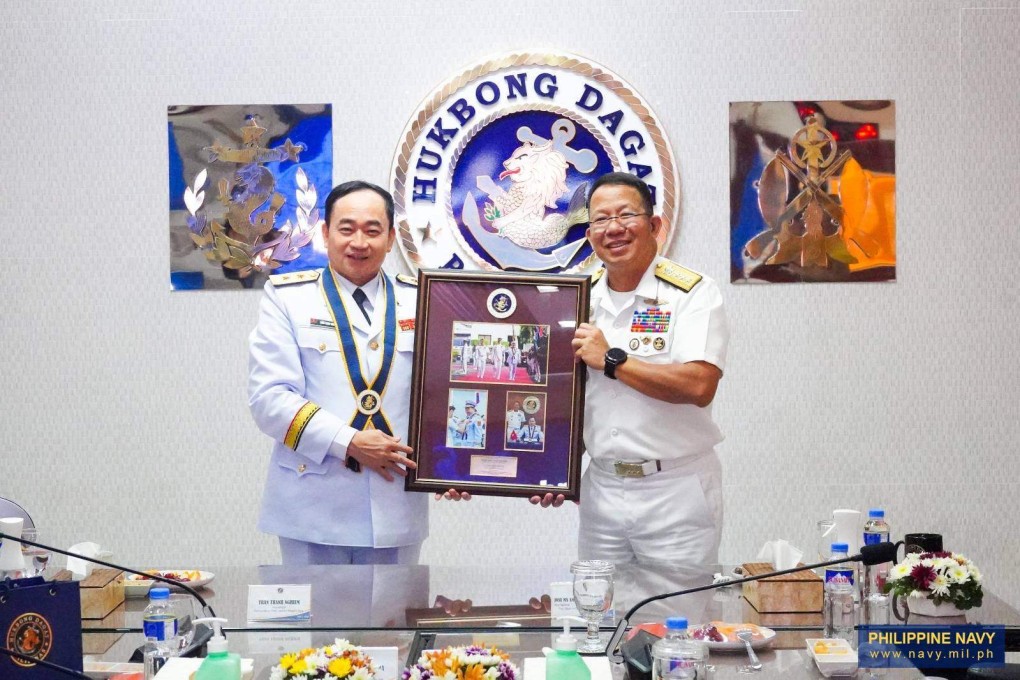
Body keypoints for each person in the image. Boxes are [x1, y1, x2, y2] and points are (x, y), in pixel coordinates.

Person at [248, 180, 463, 566]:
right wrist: (349, 441)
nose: (359, 242)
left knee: (392, 624)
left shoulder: (424, 298)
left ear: (392, 236)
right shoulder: (288, 297)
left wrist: (456, 464)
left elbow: (447, 395)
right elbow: (270, 399)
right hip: (311, 505)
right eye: (346, 229)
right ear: (325, 233)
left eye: (372, 230)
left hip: (396, 500)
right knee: (315, 627)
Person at [532, 172, 729, 572]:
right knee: (600, 621)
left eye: (626, 215)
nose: (613, 229)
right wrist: (554, 468)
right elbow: (564, 399)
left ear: (655, 226)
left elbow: (699, 384)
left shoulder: (691, 294)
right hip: (602, 491)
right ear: (589, 234)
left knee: (678, 624)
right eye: (601, 220)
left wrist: (613, 360)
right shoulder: (576, 299)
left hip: (674, 491)